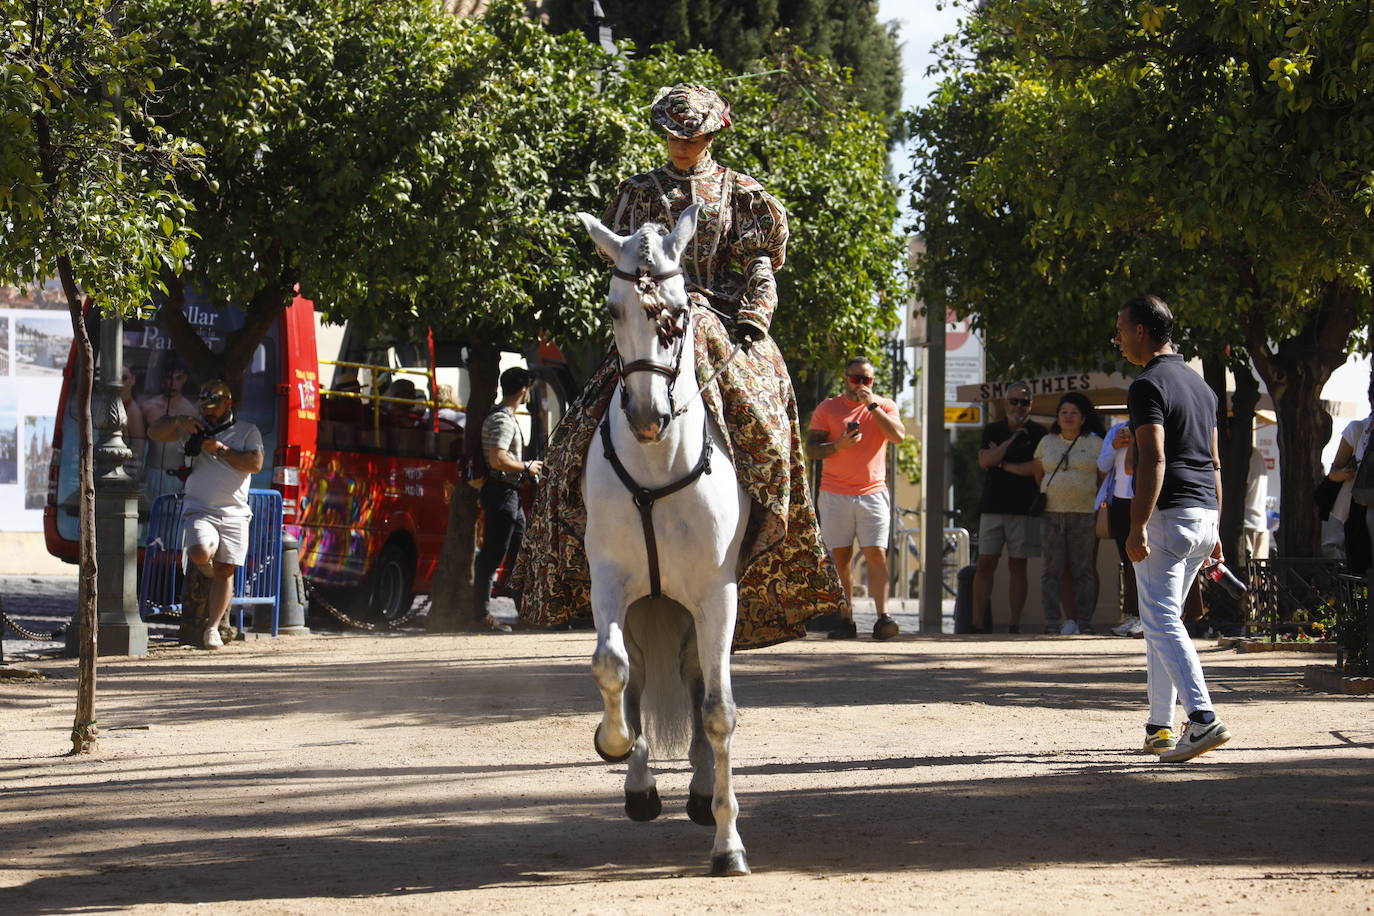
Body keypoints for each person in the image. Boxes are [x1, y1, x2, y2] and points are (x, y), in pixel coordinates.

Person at [513, 84, 846, 647]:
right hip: (651, 322)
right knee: (574, 437)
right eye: (671, 136)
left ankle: (771, 527)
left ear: (712, 136)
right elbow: (622, 262)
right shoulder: (637, 192)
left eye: (690, 137)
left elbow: (760, 266)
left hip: (719, 317)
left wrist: (755, 315)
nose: (680, 146)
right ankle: (564, 548)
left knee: (766, 415)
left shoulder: (743, 194)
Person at [1115, 294, 1232, 762]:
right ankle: (1159, 726)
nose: (1118, 339)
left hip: (1168, 515)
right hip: (1203, 514)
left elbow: (1154, 458)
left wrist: (1137, 523)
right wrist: (1216, 526)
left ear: (1141, 331)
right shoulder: (1202, 387)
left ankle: (1202, 718)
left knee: (1160, 620)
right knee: (1163, 622)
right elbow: (1215, 462)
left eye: (1121, 330)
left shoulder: (1146, 384)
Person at [146, 380, 263, 649]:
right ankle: (208, 567)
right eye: (205, 408)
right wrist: (178, 421)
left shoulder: (247, 431)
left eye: (214, 407)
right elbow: (154, 432)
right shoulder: (193, 428)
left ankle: (213, 628)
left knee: (226, 570)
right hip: (200, 508)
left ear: (228, 404)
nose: (208, 413)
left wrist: (220, 450)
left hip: (235, 513)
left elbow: (255, 463)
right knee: (199, 552)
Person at [806, 357, 907, 640]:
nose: (860, 384)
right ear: (845, 378)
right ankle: (845, 618)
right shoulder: (828, 408)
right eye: (855, 379)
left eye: (866, 380)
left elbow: (898, 436)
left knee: (877, 553)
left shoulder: (885, 406)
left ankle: (883, 617)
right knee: (841, 557)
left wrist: (872, 406)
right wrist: (838, 446)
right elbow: (811, 449)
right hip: (835, 493)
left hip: (873, 492)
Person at [971, 381, 1047, 634]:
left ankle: (1014, 624)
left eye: (1024, 402)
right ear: (1005, 403)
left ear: (1031, 404)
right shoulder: (993, 429)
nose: (1018, 406)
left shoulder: (1038, 433)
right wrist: (1012, 440)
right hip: (992, 507)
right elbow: (984, 461)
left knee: (1018, 566)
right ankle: (977, 624)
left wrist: (1002, 463)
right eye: (1014, 401)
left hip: (1024, 509)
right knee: (985, 564)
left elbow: (1036, 469)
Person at [474, 368, 543, 633]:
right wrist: (527, 466)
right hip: (501, 493)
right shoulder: (502, 420)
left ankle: (525, 613)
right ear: (523, 390)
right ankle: (480, 615)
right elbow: (497, 459)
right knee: (493, 555)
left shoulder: (503, 416)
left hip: (509, 493)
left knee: (518, 555)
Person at [1033, 392, 1105, 634]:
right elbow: (1038, 473)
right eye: (1063, 412)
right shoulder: (1046, 441)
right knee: (1050, 570)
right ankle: (1052, 623)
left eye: (1073, 413)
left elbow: (1103, 478)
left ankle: (1084, 623)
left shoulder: (1096, 443)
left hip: (1084, 513)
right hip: (1051, 513)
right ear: (1057, 417)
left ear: (1083, 418)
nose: (1068, 417)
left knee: (1083, 569)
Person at [1323, 377, 1374, 574]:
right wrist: (1345, 474)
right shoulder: (1358, 430)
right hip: (1360, 511)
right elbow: (1333, 473)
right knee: (1361, 573)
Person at [1098, 419, 1142, 637]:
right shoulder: (1118, 429)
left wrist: (1135, 442)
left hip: (1142, 500)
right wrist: (1115, 445)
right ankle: (1133, 615)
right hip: (1118, 502)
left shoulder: (1153, 425)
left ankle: (1145, 616)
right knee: (1127, 560)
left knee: (1144, 561)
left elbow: (1132, 467)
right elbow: (1102, 466)